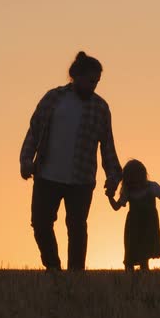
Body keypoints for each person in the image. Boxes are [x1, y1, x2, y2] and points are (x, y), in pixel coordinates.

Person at [20, 51, 122, 271]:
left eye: (96, 82)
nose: (93, 86)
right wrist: (26, 160)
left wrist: (113, 175)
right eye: (90, 80)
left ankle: (76, 275)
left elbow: (107, 145)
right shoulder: (53, 98)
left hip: (82, 179)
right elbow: (34, 131)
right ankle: (54, 269)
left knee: (76, 228)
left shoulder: (100, 108)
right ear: (75, 76)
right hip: (47, 174)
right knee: (40, 224)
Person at [108, 159, 160, 271]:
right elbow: (116, 206)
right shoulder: (128, 191)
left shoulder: (151, 187)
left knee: (144, 258)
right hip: (134, 226)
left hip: (148, 226)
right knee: (130, 257)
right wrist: (110, 196)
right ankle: (131, 283)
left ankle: (142, 283)